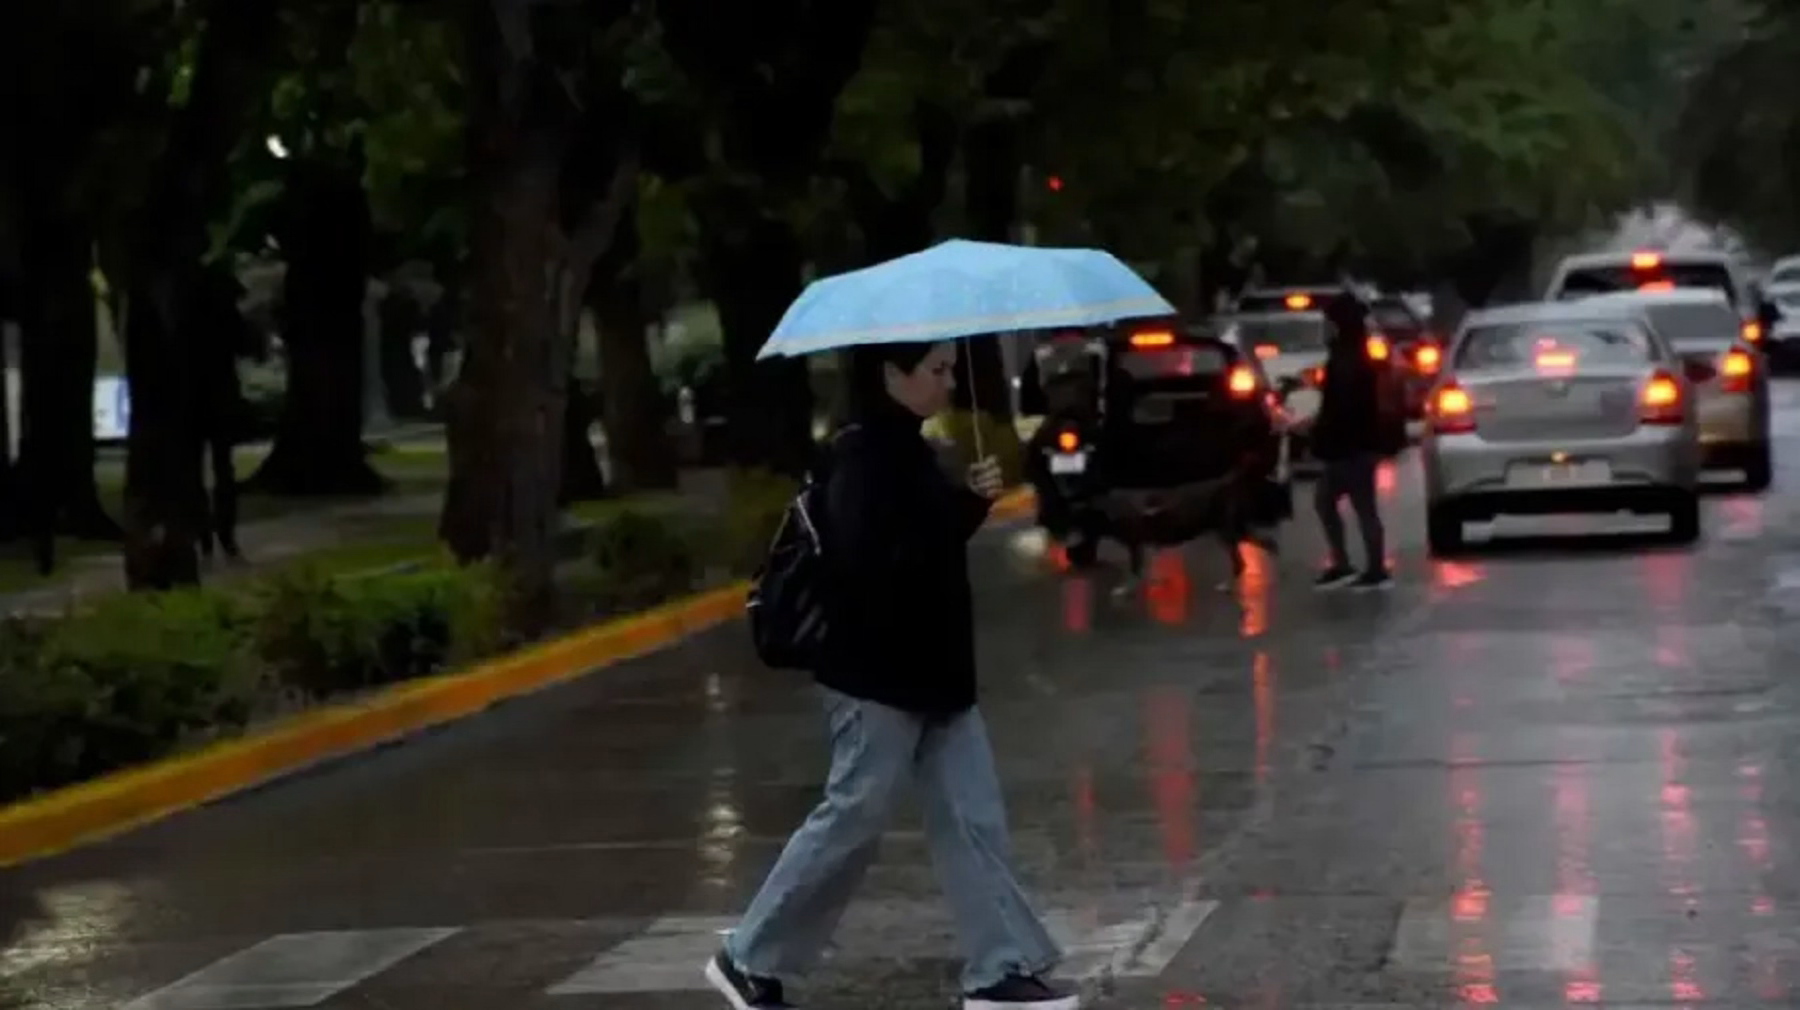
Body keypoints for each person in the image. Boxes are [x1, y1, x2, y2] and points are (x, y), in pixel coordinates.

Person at [705, 341, 1077, 1010]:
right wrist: (949, 509)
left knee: (971, 819)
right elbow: (875, 565)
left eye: (944, 368)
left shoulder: (908, 448)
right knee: (852, 819)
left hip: (934, 676)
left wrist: (965, 504)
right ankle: (748, 956)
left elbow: (922, 548)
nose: (944, 380)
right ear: (890, 376)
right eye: (933, 370)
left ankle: (999, 969)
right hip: (877, 677)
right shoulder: (863, 457)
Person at [1294, 291, 1393, 590]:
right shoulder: (1348, 354)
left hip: (1353, 445)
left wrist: (1322, 429)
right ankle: (1346, 562)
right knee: (1329, 500)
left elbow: (1343, 405)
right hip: (1352, 444)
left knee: (1360, 504)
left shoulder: (1349, 358)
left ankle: (1372, 567)